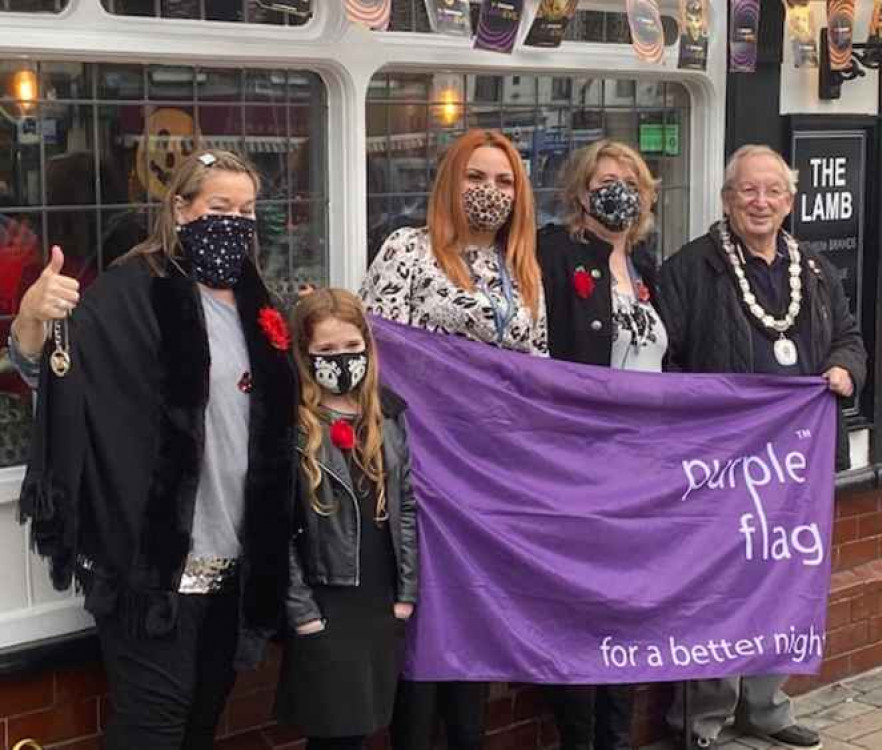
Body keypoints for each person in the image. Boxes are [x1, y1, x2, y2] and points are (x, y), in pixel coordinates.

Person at [12, 149, 299, 750]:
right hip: (153, 569)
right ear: (180, 208)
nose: (235, 221)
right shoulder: (132, 292)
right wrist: (30, 322)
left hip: (235, 564)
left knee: (199, 725)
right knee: (151, 730)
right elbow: (58, 369)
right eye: (219, 207)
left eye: (247, 210)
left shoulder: (255, 299)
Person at [659, 144, 867, 750]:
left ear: (791, 201)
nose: (761, 202)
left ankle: (766, 708)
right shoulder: (690, 268)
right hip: (720, 468)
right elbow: (664, 361)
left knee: (782, 581)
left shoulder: (818, 273)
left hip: (794, 472)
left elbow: (850, 338)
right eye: (748, 190)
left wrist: (845, 371)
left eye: (773, 191)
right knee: (717, 589)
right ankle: (700, 722)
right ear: (727, 200)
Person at [360, 128, 547, 750]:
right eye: (475, 177)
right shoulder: (406, 250)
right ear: (450, 182)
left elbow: (535, 372)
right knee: (423, 627)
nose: (488, 192)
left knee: (475, 622)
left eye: (502, 181)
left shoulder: (522, 269)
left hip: (491, 480)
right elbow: (375, 358)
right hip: (424, 477)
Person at [537, 139, 666, 750]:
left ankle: (615, 738)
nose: (618, 191)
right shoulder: (555, 252)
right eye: (604, 180)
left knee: (626, 608)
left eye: (630, 181)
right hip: (579, 468)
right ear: (581, 193)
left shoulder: (649, 270)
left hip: (642, 473)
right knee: (581, 611)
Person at [275, 288, 418, 750]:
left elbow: (407, 505)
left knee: (362, 730)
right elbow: (276, 527)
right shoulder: (293, 425)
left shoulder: (387, 416)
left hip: (377, 599)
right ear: (305, 353)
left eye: (352, 348)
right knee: (334, 734)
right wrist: (302, 613)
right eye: (327, 351)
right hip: (327, 599)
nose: (341, 360)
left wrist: (406, 594)